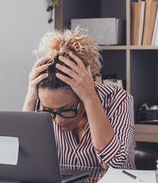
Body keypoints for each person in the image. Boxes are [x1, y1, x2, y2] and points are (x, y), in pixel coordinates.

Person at [23, 29, 135, 169]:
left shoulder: (118, 100)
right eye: (48, 111)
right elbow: (24, 162)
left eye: (66, 110)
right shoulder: (41, 105)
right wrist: (30, 98)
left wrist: (90, 97)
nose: (58, 121)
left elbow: (114, 164)